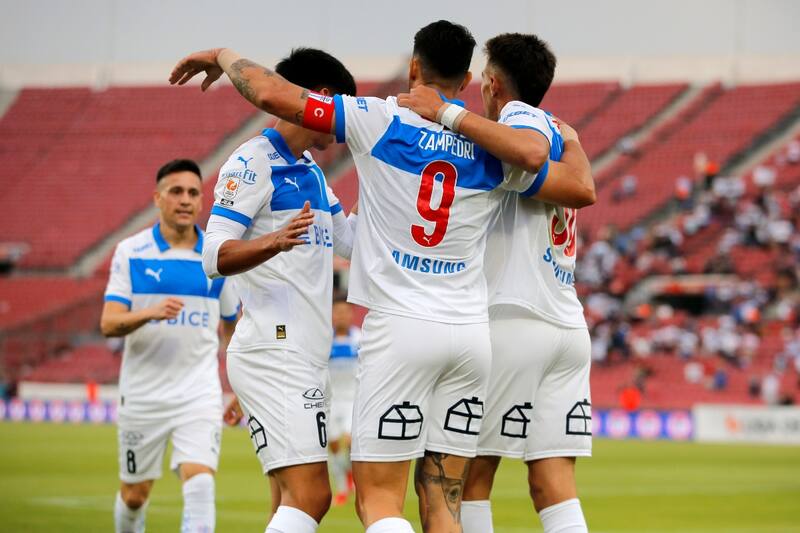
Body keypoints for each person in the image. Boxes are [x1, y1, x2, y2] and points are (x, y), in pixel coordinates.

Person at [170, 20, 591, 533]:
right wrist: (568, 139)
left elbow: (272, 94)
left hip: (401, 330)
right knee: (444, 502)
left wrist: (222, 53)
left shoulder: (377, 118)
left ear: (413, 67)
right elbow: (575, 185)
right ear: (466, 80)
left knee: (378, 500)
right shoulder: (492, 148)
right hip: (470, 337)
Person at [398, 33, 595, 533]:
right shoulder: (560, 136)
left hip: (513, 316)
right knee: (553, 482)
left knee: (467, 479)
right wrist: (573, 140)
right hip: (566, 325)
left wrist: (445, 114)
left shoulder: (516, 125)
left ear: (490, 82)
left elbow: (540, 163)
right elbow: (581, 186)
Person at [199, 48, 357, 533]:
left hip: (305, 355)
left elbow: (351, 242)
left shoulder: (311, 170)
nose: (343, 125)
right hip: (275, 352)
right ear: (323, 98)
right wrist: (273, 241)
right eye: (342, 109)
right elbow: (213, 256)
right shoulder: (252, 162)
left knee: (287, 499)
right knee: (312, 495)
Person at [100, 159, 239, 533]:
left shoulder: (217, 255)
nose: (185, 199)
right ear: (157, 198)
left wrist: (241, 386)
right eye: (176, 191)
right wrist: (150, 313)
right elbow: (109, 323)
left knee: (201, 481)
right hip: (142, 395)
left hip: (198, 392)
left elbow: (233, 328)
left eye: (193, 192)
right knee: (134, 495)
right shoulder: (132, 252)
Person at [328, 292, 361, 506]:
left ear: (351, 314)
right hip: (331, 401)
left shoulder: (359, 338)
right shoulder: (324, 338)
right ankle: (342, 485)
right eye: (337, 312)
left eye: (345, 311)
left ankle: (349, 480)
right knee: (333, 446)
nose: (341, 316)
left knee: (350, 441)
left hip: (352, 400)